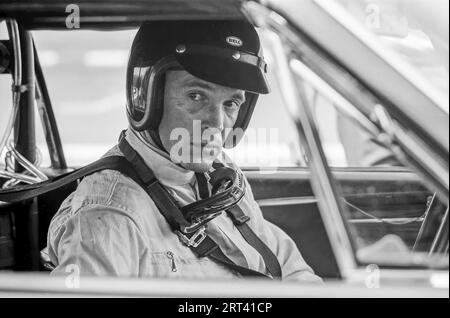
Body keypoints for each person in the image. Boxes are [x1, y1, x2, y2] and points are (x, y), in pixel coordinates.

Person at [47, 20, 321, 282]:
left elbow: (282, 259)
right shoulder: (108, 216)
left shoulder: (222, 175)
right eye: (196, 96)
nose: (216, 124)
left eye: (230, 104)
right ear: (146, 97)